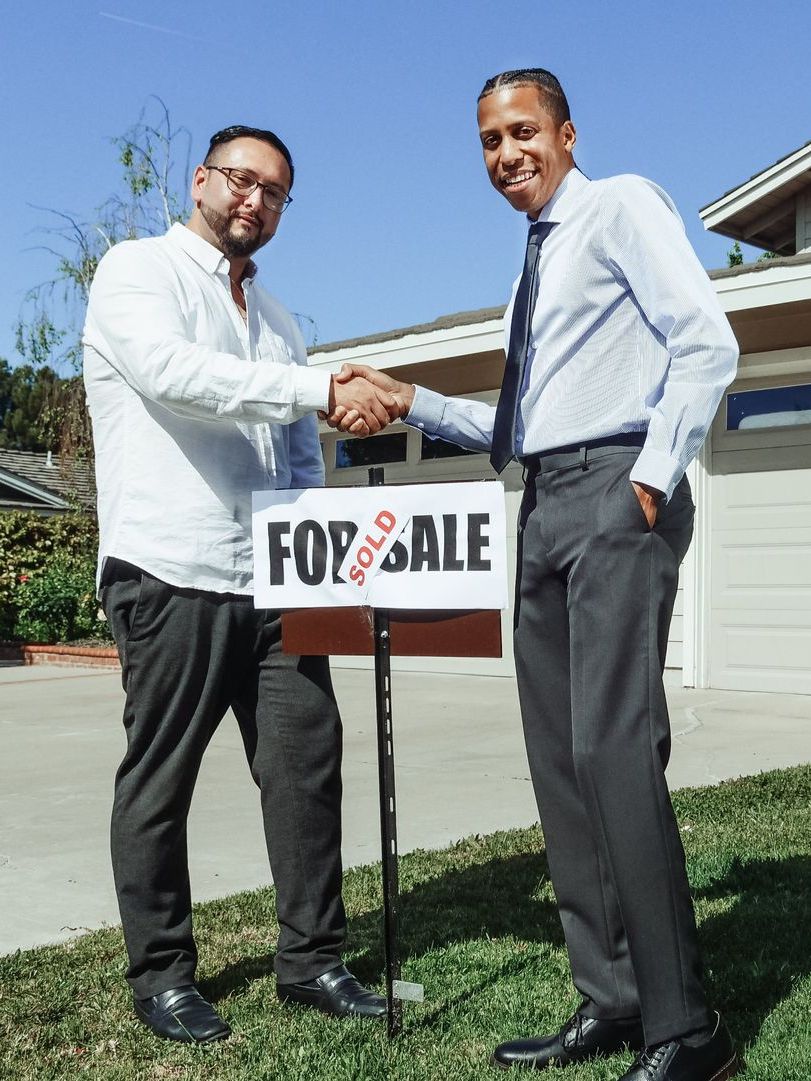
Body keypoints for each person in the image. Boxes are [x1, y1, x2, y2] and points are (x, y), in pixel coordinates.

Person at [328, 71, 740, 1081]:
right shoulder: (532, 267)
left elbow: (707, 344)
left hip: (613, 488)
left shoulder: (617, 206)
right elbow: (519, 428)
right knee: (560, 763)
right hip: (546, 498)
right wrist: (412, 398)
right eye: (487, 140)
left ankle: (689, 1029)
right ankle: (611, 996)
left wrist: (646, 484)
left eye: (522, 132)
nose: (505, 153)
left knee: (611, 748)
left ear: (564, 132)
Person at [83, 124, 396, 1044]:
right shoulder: (136, 272)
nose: (253, 200)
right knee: (161, 778)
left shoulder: (280, 320)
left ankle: (311, 960)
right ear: (201, 181)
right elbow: (175, 376)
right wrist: (313, 385)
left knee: (306, 767)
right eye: (239, 180)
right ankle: (163, 974)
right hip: (170, 566)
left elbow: (298, 456)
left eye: (273, 192)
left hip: (276, 578)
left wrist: (322, 559)